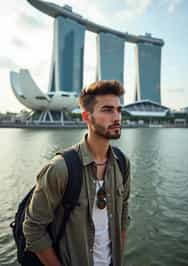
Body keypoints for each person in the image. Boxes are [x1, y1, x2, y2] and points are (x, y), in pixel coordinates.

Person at [23, 80, 131, 266]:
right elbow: (33, 229)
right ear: (86, 117)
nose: (116, 117)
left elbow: (123, 218)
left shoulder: (122, 163)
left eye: (118, 110)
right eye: (107, 110)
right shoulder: (60, 169)